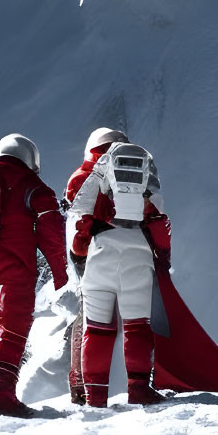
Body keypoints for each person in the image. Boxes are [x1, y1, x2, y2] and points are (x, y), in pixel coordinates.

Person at [0, 134, 69, 416]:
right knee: (13, 326)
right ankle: (0, 396)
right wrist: (60, 273)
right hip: (15, 266)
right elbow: (52, 232)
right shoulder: (32, 186)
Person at [69, 138, 172, 406]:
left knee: (98, 328)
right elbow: (160, 226)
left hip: (101, 252)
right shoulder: (147, 185)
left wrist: (80, 253)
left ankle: (95, 396)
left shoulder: (100, 181)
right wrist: (163, 260)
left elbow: (81, 225)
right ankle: (138, 389)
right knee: (137, 327)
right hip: (138, 255)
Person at [61, 125, 129, 404]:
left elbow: (74, 215)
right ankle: (135, 380)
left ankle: (82, 384)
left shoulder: (80, 175)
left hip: (87, 252)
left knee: (89, 316)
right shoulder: (130, 170)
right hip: (126, 248)